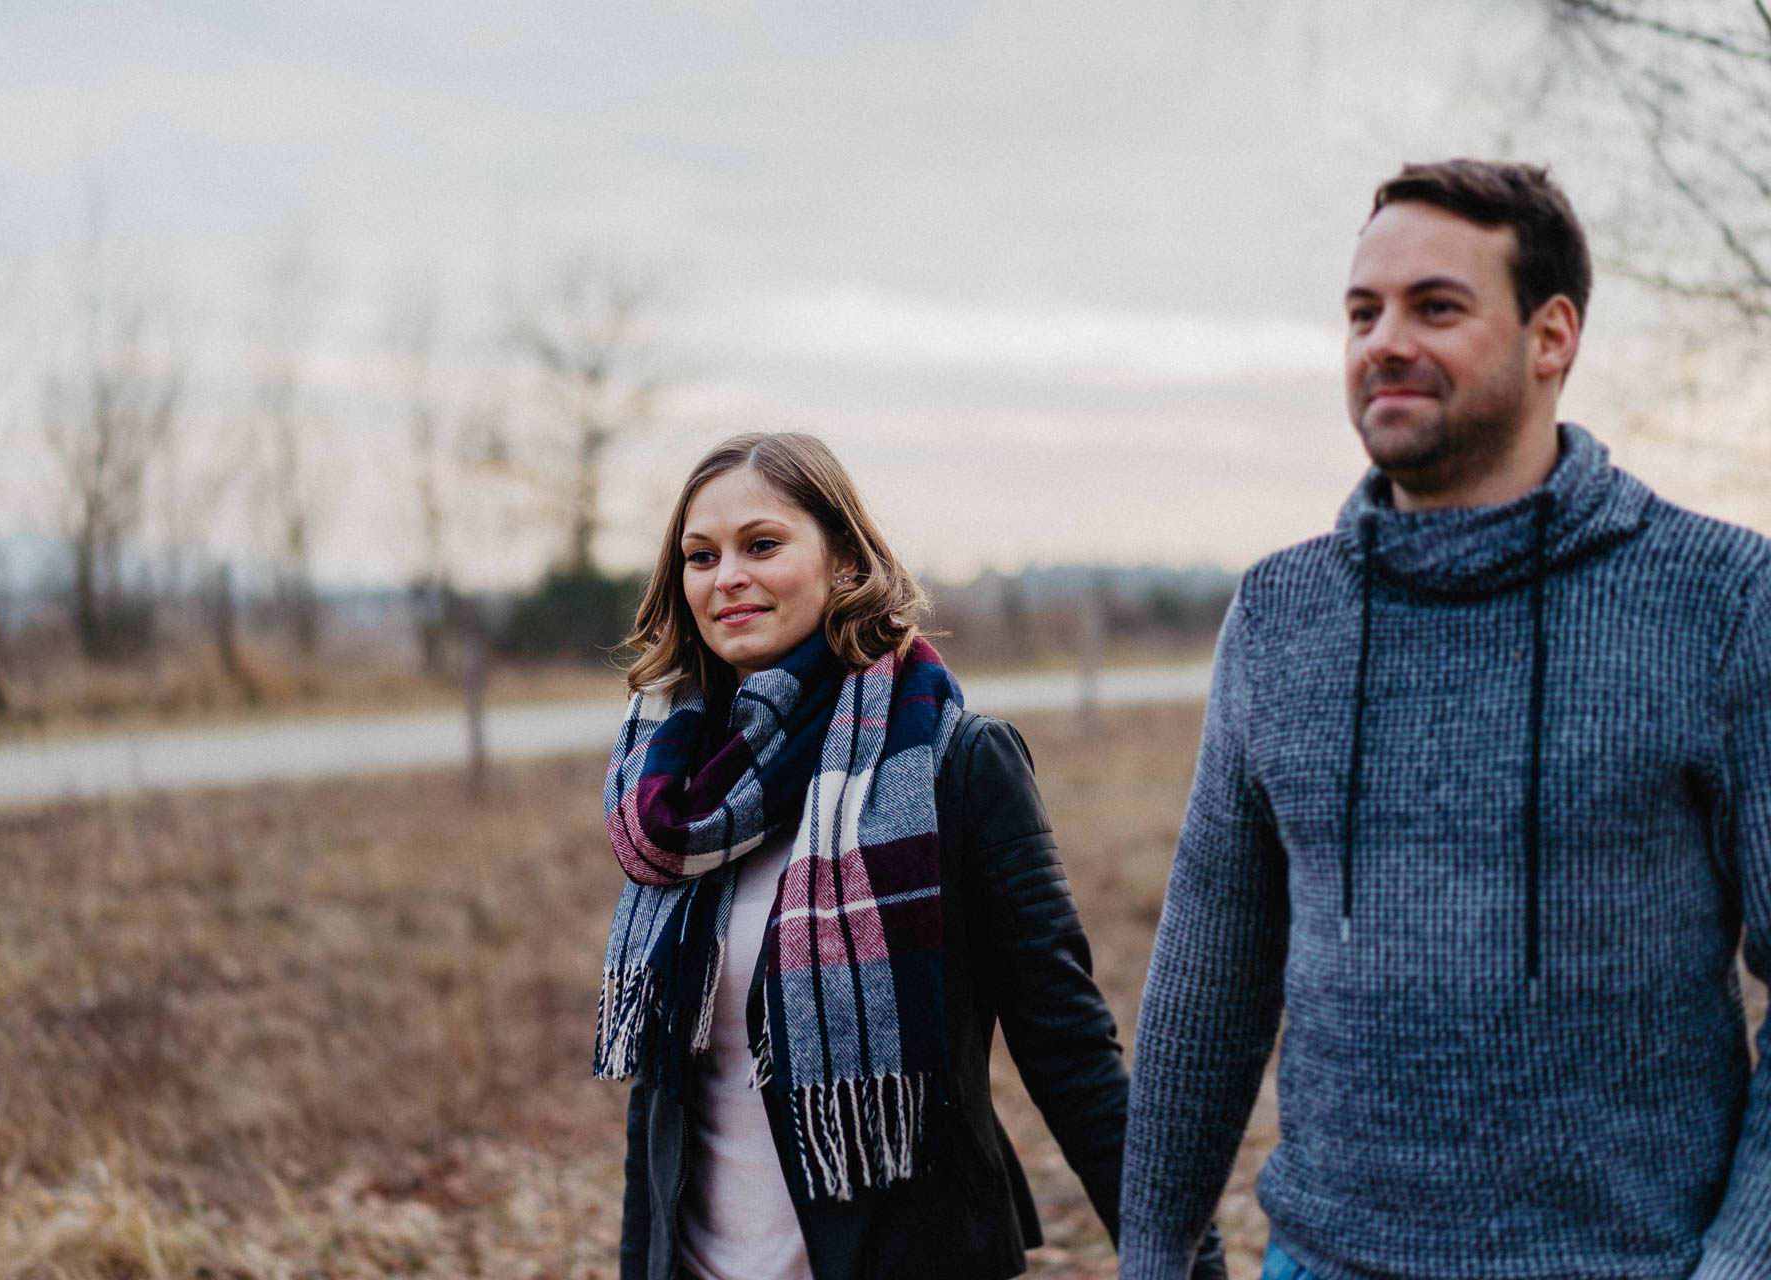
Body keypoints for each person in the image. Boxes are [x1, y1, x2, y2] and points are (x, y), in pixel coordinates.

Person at [1119, 159, 1771, 1279]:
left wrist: (1741, 1260)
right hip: (1322, 1260)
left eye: (1437, 305)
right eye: (1362, 311)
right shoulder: (1282, 612)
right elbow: (1210, 974)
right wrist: (1152, 1249)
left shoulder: (1722, 601)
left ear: (1552, 335)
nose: (1383, 341)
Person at [596, 432, 1222, 1280]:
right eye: (700, 557)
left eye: (763, 545)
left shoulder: (954, 765)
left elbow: (1069, 1052)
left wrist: (1187, 1260)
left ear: (846, 560)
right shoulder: (672, 800)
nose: (726, 577)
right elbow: (663, 1101)